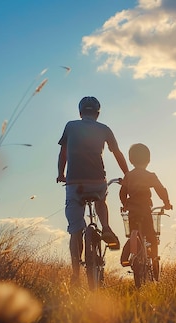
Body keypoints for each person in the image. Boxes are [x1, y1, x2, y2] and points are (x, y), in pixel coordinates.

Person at [57, 96, 129, 284]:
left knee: (75, 231)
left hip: (75, 183)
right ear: (97, 113)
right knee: (101, 199)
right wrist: (127, 174)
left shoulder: (70, 126)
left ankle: (75, 275)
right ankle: (105, 227)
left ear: (80, 112)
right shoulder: (104, 129)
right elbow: (118, 153)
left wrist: (60, 174)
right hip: (97, 181)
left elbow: (63, 153)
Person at [119, 143, 172, 279]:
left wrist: (125, 204)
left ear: (130, 160)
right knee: (152, 238)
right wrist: (167, 203)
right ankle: (154, 261)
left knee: (132, 235)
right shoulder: (150, 175)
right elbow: (161, 189)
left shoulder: (128, 176)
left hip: (132, 211)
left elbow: (122, 192)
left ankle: (125, 256)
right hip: (144, 210)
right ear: (148, 160)